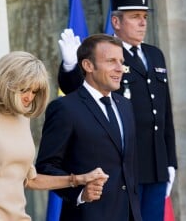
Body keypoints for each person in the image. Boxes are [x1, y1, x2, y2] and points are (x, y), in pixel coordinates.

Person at [57, 0, 178, 221]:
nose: (142, 23)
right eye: (134, 16)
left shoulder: (155, 55)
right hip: (123, 166)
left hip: (156, 164)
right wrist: (71, 67)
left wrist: (170, 160)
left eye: (145, 17)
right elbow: (79, 93)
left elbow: (165, 113)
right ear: (116, 21)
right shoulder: (104, 54)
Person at [0, 51, 108, 221]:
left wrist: (79, 179)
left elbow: (32, 180)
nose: (29, 97)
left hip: (18, 215)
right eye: (25, 89)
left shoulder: (23, 119)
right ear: (5, 82)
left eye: (34, 91)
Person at [36, 34, 142, 221]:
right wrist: (80, 192)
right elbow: (46, 167)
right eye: (111, 61)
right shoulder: (65, 108)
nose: (120, 68)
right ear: (88, 66)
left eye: (121, 61)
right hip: (87, 215)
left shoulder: (126, 106)